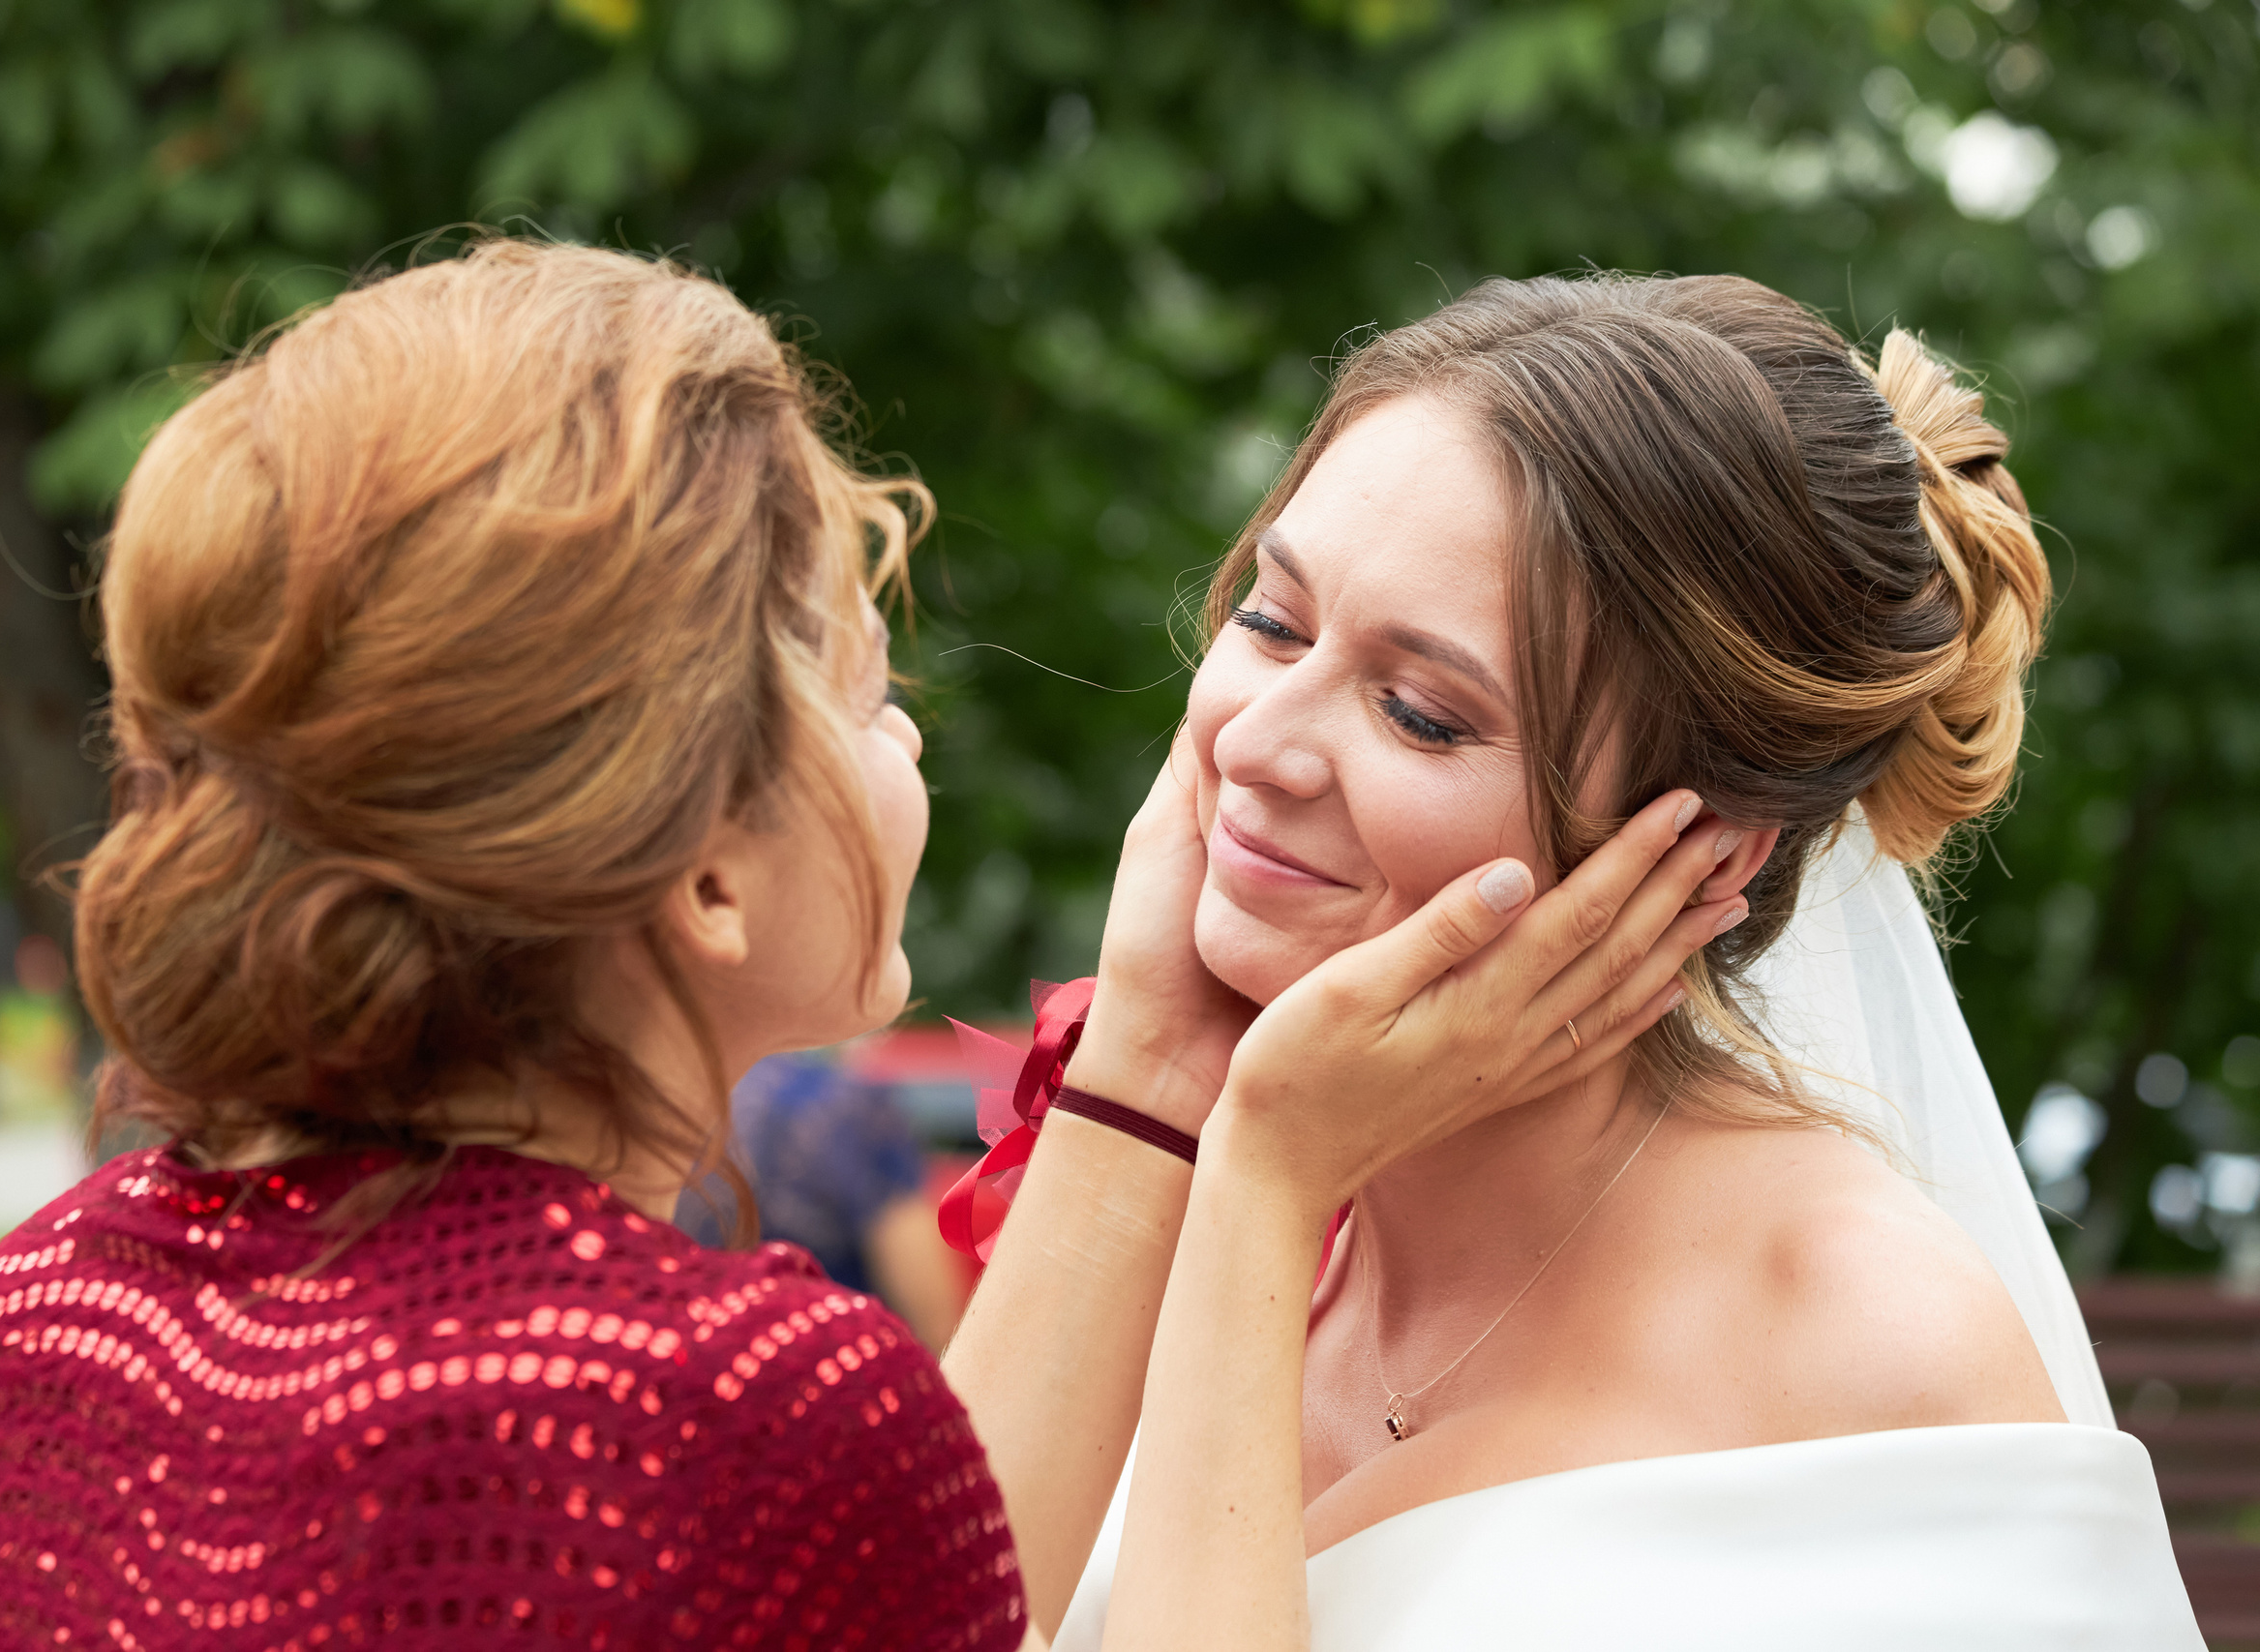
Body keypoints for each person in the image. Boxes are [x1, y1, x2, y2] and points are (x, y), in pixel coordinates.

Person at [0, 242, 1713, 1651]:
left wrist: (1159, 1052)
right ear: (707, 886)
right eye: (860, 687)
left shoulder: (53, 1299)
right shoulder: (731, 1412)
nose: (907, 739)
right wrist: (1266, 1175)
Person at [938, 276, 2198, 1648]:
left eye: (1420, 711)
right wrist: (1150, 1065)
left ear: (1701, 847)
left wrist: (1264, 1183)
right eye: (1274, 622)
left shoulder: (1867, 1342)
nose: (1255, 740)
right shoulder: (1174, 1171)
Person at [678, 1050, 968, 1349]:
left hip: (699, 1369)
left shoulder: (656, 1113)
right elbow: (933, 1317)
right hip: (850, 1368)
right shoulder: (846, 1103)